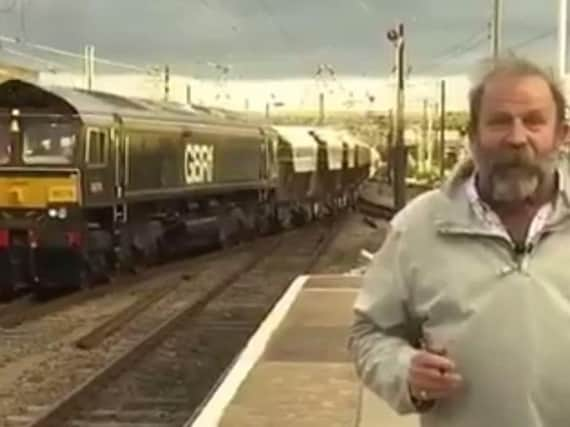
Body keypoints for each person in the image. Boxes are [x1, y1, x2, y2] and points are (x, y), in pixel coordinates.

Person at [349, 56, 570, 427]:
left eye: (533, 121)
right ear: (472, 135)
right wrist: (405, 372)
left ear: (561, 135)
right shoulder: (420, 227)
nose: (517, 138)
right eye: (499, 122)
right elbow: (369, 332)